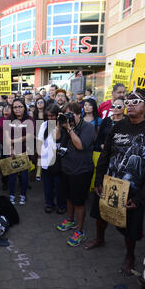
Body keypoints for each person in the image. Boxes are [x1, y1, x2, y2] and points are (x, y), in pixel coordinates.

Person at [86, 88, 145, 275]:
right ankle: (100, 239)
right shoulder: (119, 126)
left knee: (131, 228)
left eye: (135, 102)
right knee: (100, 215)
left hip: (134, 190)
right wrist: (99, 181)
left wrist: (142, 197)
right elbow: (105, 155)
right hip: (110, 183)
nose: (130, 105)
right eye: (128, 102)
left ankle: (130, 256)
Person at [55, 102, 95, 246]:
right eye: (66, 114)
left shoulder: (88, 127)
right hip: (67, 167)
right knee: (69, 197)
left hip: (81, 170)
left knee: (78, 201)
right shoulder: (65, 125)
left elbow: (79, 146)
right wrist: (59, 125)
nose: (69, 117)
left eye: (71, 114)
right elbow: (56, 138)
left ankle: (79, 230)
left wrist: (70, 129)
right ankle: (70, 221)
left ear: (79, 113)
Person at [2, 98, 35, 205]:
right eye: (15, 107)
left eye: (20, 106)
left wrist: (14, 140)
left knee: (24, 175)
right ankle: (12, 195)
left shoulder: (30, 120)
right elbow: (6, 136)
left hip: (25, 150)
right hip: (10, 150)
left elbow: (29, 136)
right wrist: (11, 148)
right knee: (12, 175)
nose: (17, 109)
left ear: (24, 107)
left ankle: (23, 195)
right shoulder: (8, 119)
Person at [37, 104, 66, 214]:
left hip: (59, 160)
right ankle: (49, 203)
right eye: (48, 116)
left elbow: (57, 139)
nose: (50, 118)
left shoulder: (63, 126)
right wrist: (39, 155)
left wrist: (58, 126)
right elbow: (39, 141)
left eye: (52, 116)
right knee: (47, 185)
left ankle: (61, 205)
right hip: (46, 159)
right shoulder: (44, 125)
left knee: (59, 185)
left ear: (57, 115)